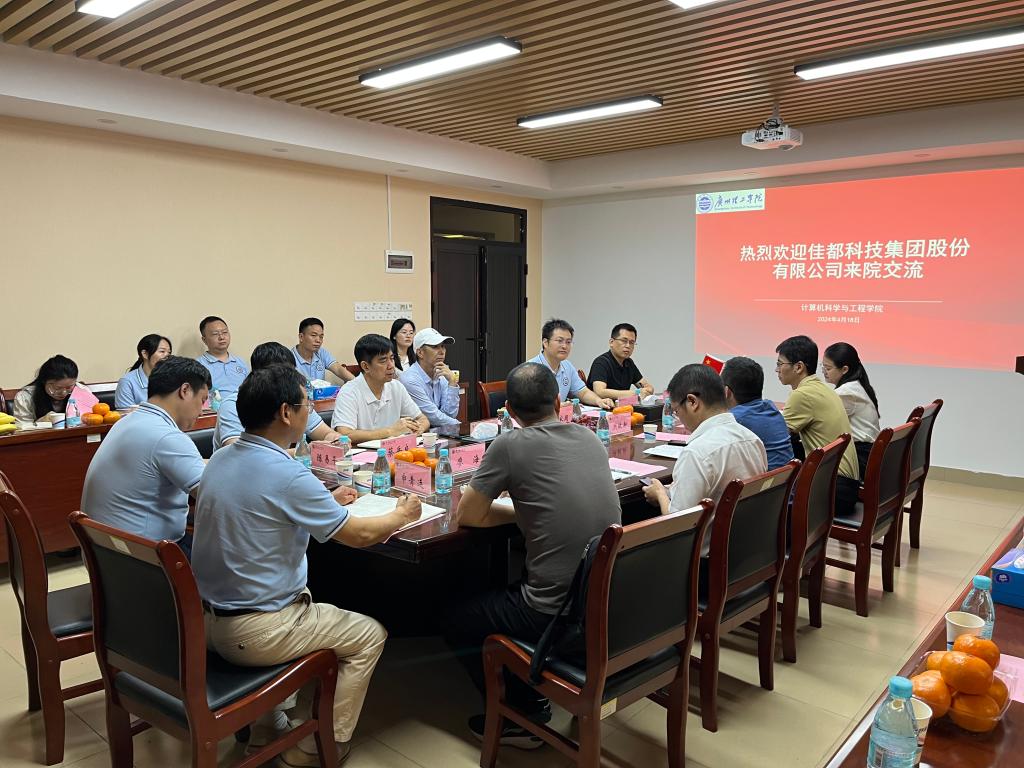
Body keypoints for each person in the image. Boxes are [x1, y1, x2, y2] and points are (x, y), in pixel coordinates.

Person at [192, 366, 422, 767]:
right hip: (257, 629)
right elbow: (359, 536)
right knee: (370, 635)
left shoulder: (219, 459)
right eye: (307, 406)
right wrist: (402, 515)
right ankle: (316, 747)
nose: (310, 413)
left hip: (206, 622)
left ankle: (267, 732)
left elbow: (263, 510)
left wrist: (325, 502)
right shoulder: (286, 473)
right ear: (286, 413)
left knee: (306, 599)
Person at [445, 362, 621, 747]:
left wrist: (525, 510)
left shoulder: (510, 444)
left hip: (554, 611)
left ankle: (523, 713)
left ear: (508, 410)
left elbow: (468, 514)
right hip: (606, 597)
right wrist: (530, 510)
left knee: (457, 618)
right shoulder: (589, 437)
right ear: (558, 402)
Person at [81, 356, 210, 556]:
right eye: (202, 400)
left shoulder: (127, 421)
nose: (201, 411)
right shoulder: (167, 437)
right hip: (145, 557)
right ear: (185, 390)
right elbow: (215, 496)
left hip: (105, 553)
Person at [643, 364, 767, 552]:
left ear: (692, 402)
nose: (678, 418)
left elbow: (677, 526)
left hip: (703, 561)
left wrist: (660, 493)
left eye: (676, 411)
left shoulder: (697, 453)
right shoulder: (753, 440)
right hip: (747, 551)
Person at [775, 335, 861, 517]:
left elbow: (777, 437)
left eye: (780, 364)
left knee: (771, 496)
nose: (777, 369)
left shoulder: (802, 395)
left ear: (799, 367)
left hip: (833, 489)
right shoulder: (822, 389)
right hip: (845, 486)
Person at [213, 342, 345, 451]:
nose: (291, 380)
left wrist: (335, 440)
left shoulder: (295, 398)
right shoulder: (234, 404)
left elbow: (325, 432)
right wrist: (306, 450)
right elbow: (242, 454)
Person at [332, 334, 428, 444]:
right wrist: (390, 431)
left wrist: (418, 429)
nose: (391, 366)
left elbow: (422, 419)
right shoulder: (349, 392)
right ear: (365, 366)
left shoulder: (396, 387)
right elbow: (345, 434)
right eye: (383, 361)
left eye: (392, 358)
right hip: (360, 453)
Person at [720, 356, 795, 471]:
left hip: (765, 481)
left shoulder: (733, 420)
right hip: (786, 480)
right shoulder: (770, 407)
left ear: (726, 392)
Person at [823, 342, 881, 479]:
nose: (824, 371)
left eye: (828, 368)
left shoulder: (846, 392)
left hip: (861, 458)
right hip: (869, 453)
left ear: (844, 369)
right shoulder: (856, 385)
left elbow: (819, 417)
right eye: (823, 366)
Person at [528, 319, 613, 410]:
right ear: (545, 343)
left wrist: (598, 401)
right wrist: (554, 407)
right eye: (559, 341)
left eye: (568, 342)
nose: (564, 346)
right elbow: (527, 404)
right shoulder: (530, 369)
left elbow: (583, 393)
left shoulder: (567, 366)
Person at [399, 328, 460, 428]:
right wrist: (462, 426)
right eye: (435, 347)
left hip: (439, 432)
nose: (442, 352)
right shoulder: (410, 379)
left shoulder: (442, 375)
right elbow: (433, 418)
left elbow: (449, 414)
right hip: (418, 433)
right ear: (420, 353)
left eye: (442, 346)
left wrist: (452, 382)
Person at [587, 322, 655, 400]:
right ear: (611, 342)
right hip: (600, 406)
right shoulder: (601, 362)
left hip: (622, 406)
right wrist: (636, 393)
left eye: (632, 342)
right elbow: (600, 392)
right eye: (624, 341)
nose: (628, 346)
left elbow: (646, 386)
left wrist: (648, 389)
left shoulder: (629, 363)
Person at [13, 355, 89, 423]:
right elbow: (22, 430)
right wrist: (41, 422)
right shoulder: (25, 397)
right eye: (57, 388)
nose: (63, 392)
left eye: (69, 387)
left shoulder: (82, 391)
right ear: (44, 381)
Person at [115, 334, 172, 409]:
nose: (167, 356)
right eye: (162, 351)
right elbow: (126, 414)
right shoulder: (127, 382)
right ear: (145, 354)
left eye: (169, 352)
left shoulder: (171, 378)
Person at [196, 315, 249, 395]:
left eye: (224, 332)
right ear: (204, 339)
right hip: (216, 403)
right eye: (215, 334)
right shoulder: (198, 365)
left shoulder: (241, 362)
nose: (221, 337)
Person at [294, 317, 355, 383]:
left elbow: (338, 369)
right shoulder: (290, 358)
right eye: (313, 335)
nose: (318, 340)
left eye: (321, 337)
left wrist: (357, 383)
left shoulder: (321, 352)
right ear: (301, 337)